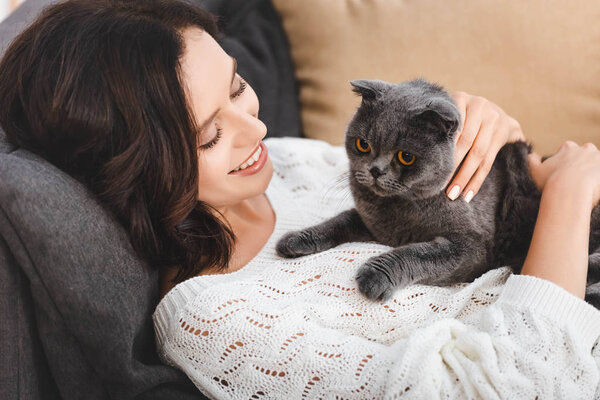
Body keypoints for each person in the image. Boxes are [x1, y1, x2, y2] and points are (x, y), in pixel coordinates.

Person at [1, 0, 599, 399]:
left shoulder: (282, 160)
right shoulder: (214, 320)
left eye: (238, 86)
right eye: (211, 133)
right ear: (134, 170)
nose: (254, 128)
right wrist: (568, 201)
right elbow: (511, 386)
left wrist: (501, 149)